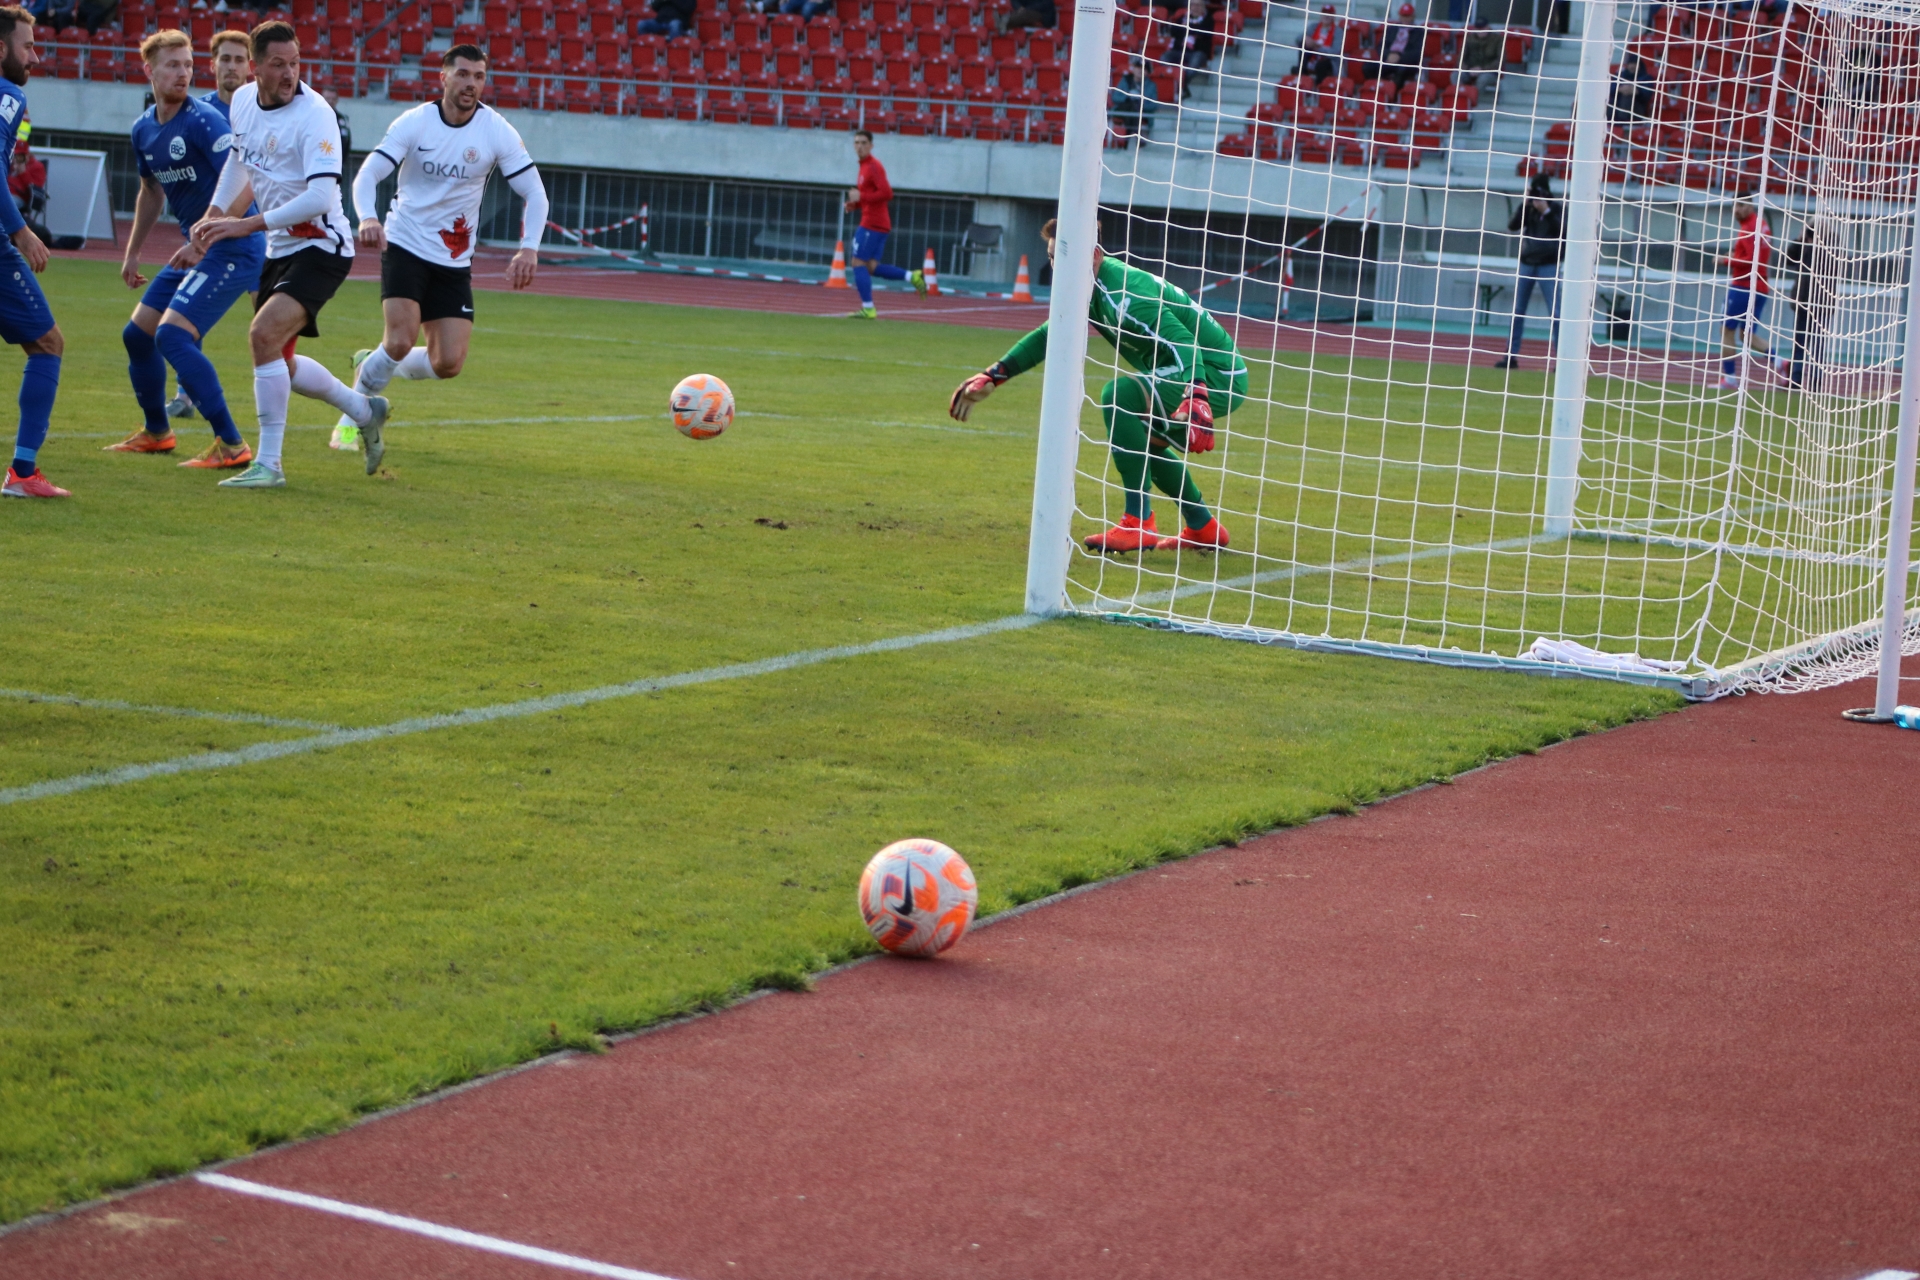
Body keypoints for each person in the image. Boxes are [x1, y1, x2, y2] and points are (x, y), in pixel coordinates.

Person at [949, 218, 1247, 552]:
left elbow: (1184, 342)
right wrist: (995, 374)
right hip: (1192, 371)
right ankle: (1203, 526)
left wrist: (1197, 392)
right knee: (1141, 438)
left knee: (1118, 397)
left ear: (1093, 255)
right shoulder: (1088, 288)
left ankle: (1138, 522)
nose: (1056, 267)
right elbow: (1052, 332)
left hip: (1215, 374)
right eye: (1051, 258)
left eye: (1063, 257)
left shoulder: (1124, 295)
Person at [192, 19, 387, 489]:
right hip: (280, 248)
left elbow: (320, 198)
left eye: (295, 63)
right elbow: (240, 160)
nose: (289, 73)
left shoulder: (315, 114)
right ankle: (364, 410)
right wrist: (215, 213)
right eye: (278, 64)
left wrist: (245, 224)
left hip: (322, 245)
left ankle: (269, 465)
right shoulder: (243, 101)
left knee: (262, 336)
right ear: (255, 68)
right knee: (281, 360)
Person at [341, 44, 548, 462]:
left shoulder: (496, 130)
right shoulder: (415, 122)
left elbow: (536, 193)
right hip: (405, 242)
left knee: (448, 362)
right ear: (444, 77)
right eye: (463, 74)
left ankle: (374, 362)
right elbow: (368, 174)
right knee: (401, 338)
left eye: (479, 76)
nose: (471, 83)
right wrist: (368, 218)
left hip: (453, 258)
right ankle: (351, 418)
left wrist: (529, 249)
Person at [105, 29, 264, 469]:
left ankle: (231, 443)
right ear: (149, 71)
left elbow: (247, 181)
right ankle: (158, 432)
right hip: (197, 248)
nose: (183, 73)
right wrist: (132, 251)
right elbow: (150, 191)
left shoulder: (204, 121)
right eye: (173, 65)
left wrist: (205, 237)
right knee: (137, 335)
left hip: (236, 247)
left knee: (173, 336)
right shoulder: (143, 129)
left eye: (189, 65)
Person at [164, 25, 252, 424]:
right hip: (210, 234)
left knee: (269, 323)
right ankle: (185, 394)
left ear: (250, 67)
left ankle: (277, 393)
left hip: (260, 233)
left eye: (239, 60)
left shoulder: (261, 110)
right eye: (225, 59)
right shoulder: (196, 113)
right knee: (188, 314)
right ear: (212, 64)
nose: (231, 66)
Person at [0, 8, 65, 499]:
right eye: (28, 46)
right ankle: (23, 473)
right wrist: (20, 231)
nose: (35, 56)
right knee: (47, 343)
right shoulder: (8, 94)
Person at [842, 129, 924, 320]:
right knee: (870, 266)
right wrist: (855, 205)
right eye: (857, 143)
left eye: (864, 143)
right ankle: (911, 276)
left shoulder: (873, 166)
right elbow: (871, 196)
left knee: (857, 263)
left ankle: (868, 308)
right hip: (878, 223)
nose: (860, 146)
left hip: (872, 223)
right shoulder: (864, 166)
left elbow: (887, 193)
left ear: (871, 146)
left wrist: (861, 196)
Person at [1493, 174, 1564, 370]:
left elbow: (1563, 231)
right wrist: (1525, 205)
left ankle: (1562, 359)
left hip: (1549, 264)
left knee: (1556, 313)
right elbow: (1513, 225)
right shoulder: (1529, 209)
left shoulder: (1557, 208)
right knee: (1517, 311)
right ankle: (1510, 356)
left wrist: (1546, 211)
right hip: (1527, 262)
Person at [1717, 197, 1782, 391]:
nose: (1736, 210)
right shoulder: (1763, 225)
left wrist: (1726, 260)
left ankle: (1729, 378)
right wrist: (1735, 256)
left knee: (1726, 331)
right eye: (1734, 206)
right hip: (1760, 287)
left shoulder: (1748, 228)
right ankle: (1780, 362)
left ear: (1750, 206)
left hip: (1743, 286)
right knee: (1746, 335)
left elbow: (1750, 260)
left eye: (1741, 205)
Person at [1782, 215, 1842, 392]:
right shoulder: (1805, 245)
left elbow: (1832, 266)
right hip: (1803, 300)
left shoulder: (1833, 247)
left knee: (1817, 345)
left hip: (1821, 303)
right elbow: (1789, 259)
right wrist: (1801, 239)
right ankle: (1796, 379)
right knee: (1800, 343)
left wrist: (1817, 243)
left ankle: (1815, 382)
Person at [1108, 56, 1159, 143]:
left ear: (1147, 72)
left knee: (1135, 106)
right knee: (1132, 105)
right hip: (1123, 109)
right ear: (1133, 69)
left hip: (1141, 112)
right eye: (1138, 67)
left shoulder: (1151, 85)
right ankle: (1136, 133)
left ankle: (1127, 138)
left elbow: (1153, 105)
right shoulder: (1125, 80)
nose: (1140, 70)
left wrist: (1140, 102)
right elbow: (1115, 97)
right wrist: (1128, 98)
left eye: (1143, 69)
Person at [1377, 1, 1423, 89]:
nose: (1405, 18)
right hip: (1389, 59)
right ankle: (1377, 90)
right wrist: (1388, 55)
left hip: (1406, 62)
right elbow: (1381, 46)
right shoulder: (1391, 29)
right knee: (1369, 67)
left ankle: (1393, 94)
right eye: (1403, 15)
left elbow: (1417, 52)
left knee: (1401, 70)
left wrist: (1399, 57)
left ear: (1413, 16)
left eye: (1408, 16)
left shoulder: (1419, 32)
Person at [1459, 18, 1503, 95]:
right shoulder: (1469, 39)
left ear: (1488, 27)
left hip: (1489, 71)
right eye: (1478, 28)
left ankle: (1475, 98)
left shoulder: (1497, 39)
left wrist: (1482, 69)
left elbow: (1500, 60)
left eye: (1482, 28)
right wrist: (1467, 69)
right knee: (1456, 75)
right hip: (1470, 69)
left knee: (1483, 79)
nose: (1480, 31)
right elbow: (1460, 57)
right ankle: (1461, 98)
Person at [1298, 4, 1341, 81]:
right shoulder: (1313, 26)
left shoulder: (1338, 31)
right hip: (1312, 58)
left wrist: (1317, 47)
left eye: (1329, 14)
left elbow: (1335, 52)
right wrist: (1305, 38)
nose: (1326, 16)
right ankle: (1302, 75)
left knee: (1321, 65)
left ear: (1333, 17)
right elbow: (1298, 39)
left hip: (1328, 61)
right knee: (1303, 44)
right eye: (1324, 13)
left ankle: (1320, 86)